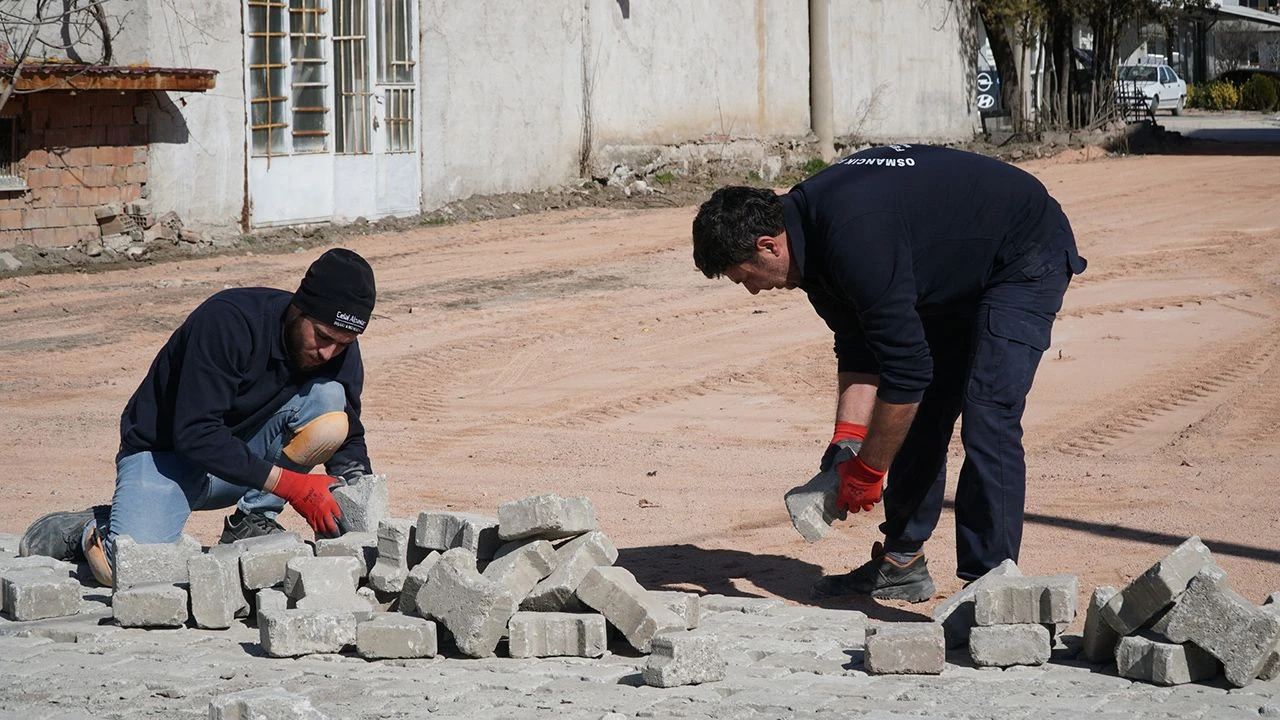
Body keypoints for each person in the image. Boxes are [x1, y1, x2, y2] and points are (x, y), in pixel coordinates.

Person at [691, 144, 1086, 603]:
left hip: (1022, 250)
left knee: (988, 412)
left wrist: (871, 468)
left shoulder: (852, 239)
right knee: (916, 415)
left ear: (768, 245)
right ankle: (903, 563)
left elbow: (906, 371)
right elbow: (860, 349)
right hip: (950, 266)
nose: (753, 291)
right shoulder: (809, 250)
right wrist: (848, 441)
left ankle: (992, 590)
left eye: (745, 277)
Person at [19, 248, 378, 586]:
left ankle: (253, 521)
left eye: (343, 344)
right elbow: (195, 435)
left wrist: (361, 506)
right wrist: (293, 486)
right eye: (322, 336)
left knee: (330, 403)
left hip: (240, 464)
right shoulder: (230, 321)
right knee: (130, 570)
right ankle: (89, 527)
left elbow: (348, 437)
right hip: (166, 456)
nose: (330, 352)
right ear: (298, 309)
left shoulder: (339, 348)